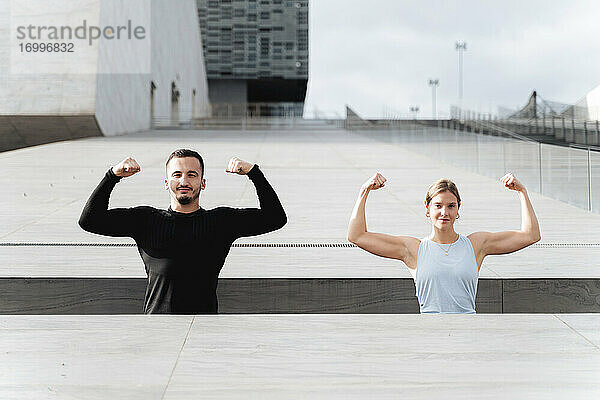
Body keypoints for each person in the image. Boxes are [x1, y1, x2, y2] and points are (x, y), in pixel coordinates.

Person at [79, 149, 287, 314]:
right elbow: (90, 221)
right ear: (166, 182)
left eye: (192, 175)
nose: (184, 181)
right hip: (156, 328)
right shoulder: (145, 220)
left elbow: (276, 218)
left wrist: (254, 173)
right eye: (177, 175)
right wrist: (111, 176)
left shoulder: (221, 222)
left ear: (202, 183)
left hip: (204, 330)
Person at [347, 172, 540, 314]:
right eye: (438, 206)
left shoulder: (476, 244)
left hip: (468, 333)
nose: (444, 212)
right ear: (428, 208)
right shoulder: (413, 249)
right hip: (429, 336)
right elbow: (357, 236)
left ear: (458, 209)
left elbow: (530, 235)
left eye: (451, 206)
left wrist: (522, 192)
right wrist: (364, 191)